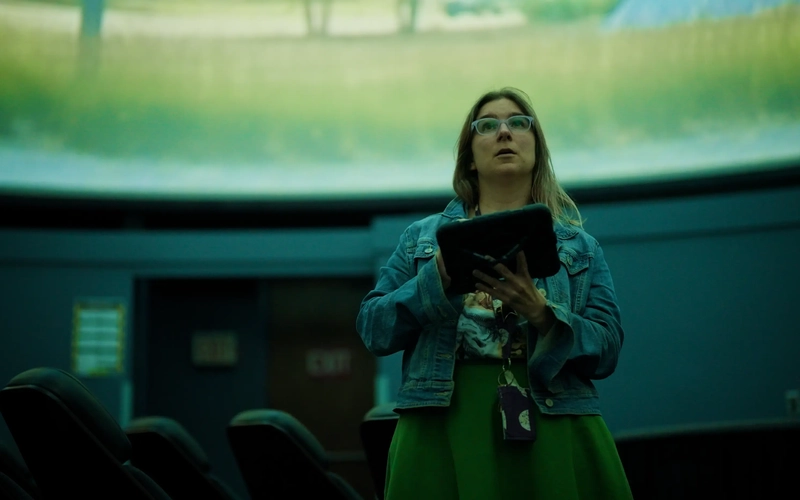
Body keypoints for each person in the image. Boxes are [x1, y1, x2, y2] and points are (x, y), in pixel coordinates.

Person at [356, 87, 633, 499]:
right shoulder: (421, 240)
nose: (504, 132)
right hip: (443, 424)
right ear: (470, 156)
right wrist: (436, 282)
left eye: (519, 123)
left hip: (554, 418)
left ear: (536, 147)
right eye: (487, 125)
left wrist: (543, 314)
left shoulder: (580, 247)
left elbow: (607, 349)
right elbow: (373, 329)